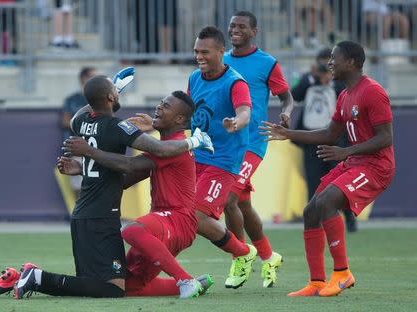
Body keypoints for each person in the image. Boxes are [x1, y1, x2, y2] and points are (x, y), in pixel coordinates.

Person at [0, 75, 213, 299]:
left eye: (165, 105)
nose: (159, 108)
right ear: (111, 97)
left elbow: (81, 120)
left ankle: (24, 278)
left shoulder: (82, 122)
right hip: (102, 216)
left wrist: (83, 165)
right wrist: (195, 140)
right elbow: (133, 162)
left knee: (104, 286)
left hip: (83, 214)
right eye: (114, 90)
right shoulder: (119, 126)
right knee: (112, 288)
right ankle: (37, 277)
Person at [260, 41, 395, 297]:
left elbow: (386, 137)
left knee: (328, 202)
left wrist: (348, 152)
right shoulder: (344, 95)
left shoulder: (373, 92)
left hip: (376, 167)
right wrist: (289, 133)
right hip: (355, 163)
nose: (328, 63)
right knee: (311, 210)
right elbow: (330, 134)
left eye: (334, 58)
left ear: (352, 62)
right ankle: (317, 282)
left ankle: (343, 273)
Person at [55, 91, 213, 299]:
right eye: (159, 103)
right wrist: (83, 168)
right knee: (128, 286)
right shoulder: (165, 146)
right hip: (164, 219)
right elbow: (123, 181)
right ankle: (196, 283)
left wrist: (89, 152)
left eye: (165, 106)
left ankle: (184, 280)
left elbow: (129, 165)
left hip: (177, 219)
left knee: (132, 231)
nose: (158, 108)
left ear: (179, 119)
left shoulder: (172, 147)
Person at [222, 11, 294, 288]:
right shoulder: (222, 60)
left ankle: (240, 257)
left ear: (254, 31)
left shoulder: (267, 63)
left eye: (241, 26)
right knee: (242, 203)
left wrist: (286, 114)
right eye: (232, 26)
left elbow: (287, 99)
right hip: (226, 143)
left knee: (228, 200)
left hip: (252, 143)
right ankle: (268, 256)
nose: (235, 30)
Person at [188, 26, 257, 289]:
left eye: (205, 52)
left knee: (196, 216)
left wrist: (236, 122)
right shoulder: (195, 78)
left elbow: (245, 113)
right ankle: (243, 252)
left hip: (224, 159)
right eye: (196, 51)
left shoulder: (235, 82)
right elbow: (190, 114)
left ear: (221, 51)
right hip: (197, 155)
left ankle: (242, 253)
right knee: (187, 213)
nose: (199, 56)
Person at [292, 48, 357, 232]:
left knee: (338, 182)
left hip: (335, 141)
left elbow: (350, 99)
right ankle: (314, 223)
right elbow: (294, 95)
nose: (325, 67)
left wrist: (330, 82)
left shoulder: (341, 82)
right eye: (322, 63)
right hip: (312, 139)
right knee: (314, 183)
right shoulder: (308, 79)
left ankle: (350, 220)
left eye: (329, 63)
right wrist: (312, 79)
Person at [61, 66, 97, 198]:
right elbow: (65, 122)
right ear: (83, 79)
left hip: (97, 149)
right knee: (78, 187)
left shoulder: (100, 100)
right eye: (92, 76)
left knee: (96, 186)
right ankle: (81, 216)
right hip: (77, 149)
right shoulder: (72, 99)